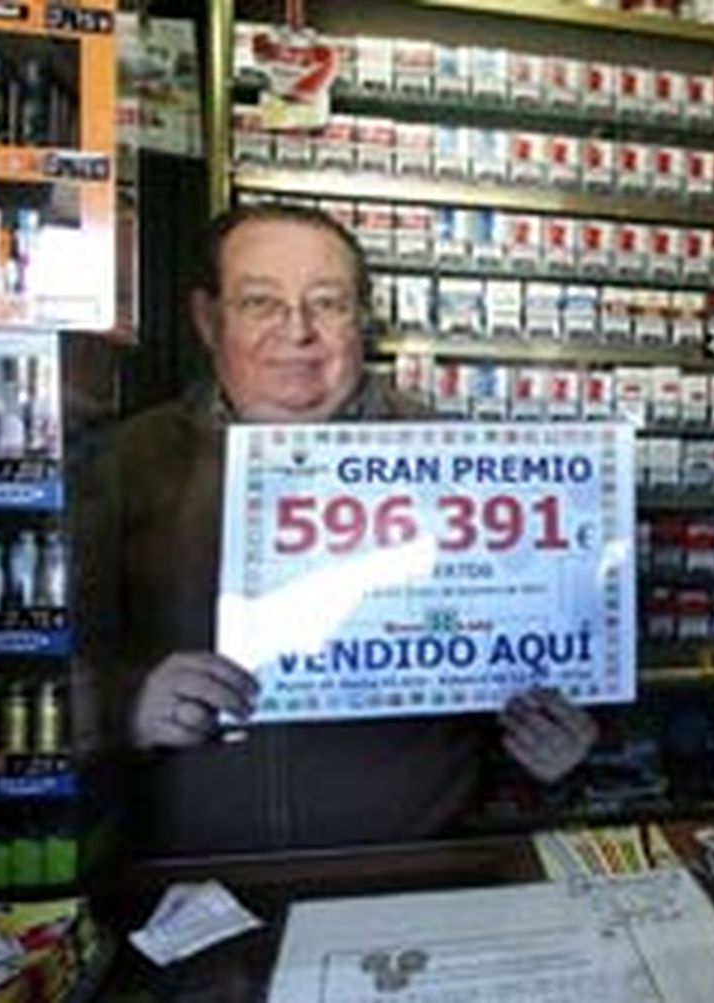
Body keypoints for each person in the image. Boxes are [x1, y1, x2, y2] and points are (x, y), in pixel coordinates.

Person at [100, 204, 598, 855]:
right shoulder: (127, 462)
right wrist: (124, 708)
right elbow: (22, 668)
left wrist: (553, 748)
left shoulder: (463, 464)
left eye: (328, 303)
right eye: (260, 302)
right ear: (207, 319)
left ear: (361, 317)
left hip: (405, 873)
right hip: (182, 881)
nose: (297, 331)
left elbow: (513, 670)